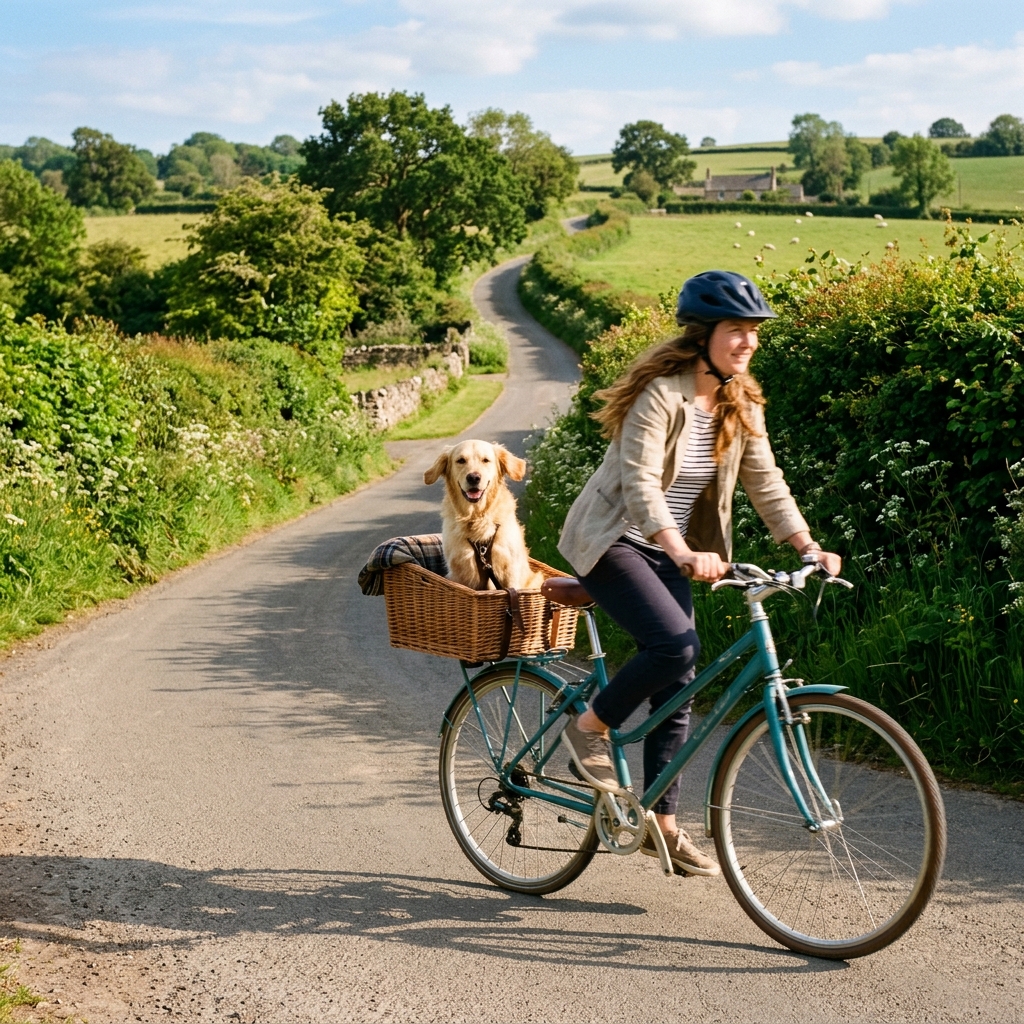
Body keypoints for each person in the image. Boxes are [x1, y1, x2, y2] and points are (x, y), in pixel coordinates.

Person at [557, 270, 842, 876]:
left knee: (680, 681)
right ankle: (587, 730)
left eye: (753, 333)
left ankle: (662, 825)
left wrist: (806, 545)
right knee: (674, 647)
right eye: (735, 331)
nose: (747, 342)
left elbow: (767, 484)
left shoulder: (742, 400)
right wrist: (678, 548)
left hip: (671, 549)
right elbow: (639, 487)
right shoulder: (661, 395)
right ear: (704, 334)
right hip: (614, 540)